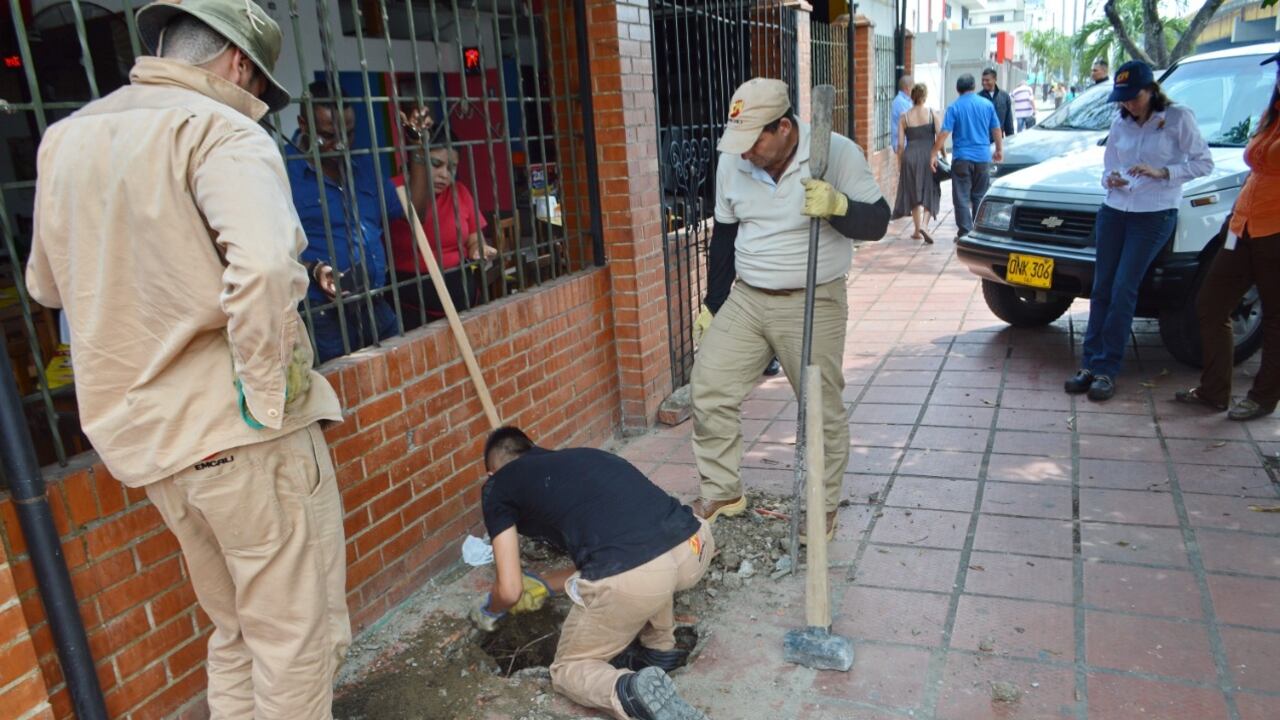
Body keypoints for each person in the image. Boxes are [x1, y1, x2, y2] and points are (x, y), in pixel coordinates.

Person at [24, 1, 349, 716]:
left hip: (154, 445)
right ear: (239, 65)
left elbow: (46, 285)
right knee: (298, 638)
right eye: (260, 87)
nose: (258, 102)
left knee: (236, 630)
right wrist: (267, 399)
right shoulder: (217, 127)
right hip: (240, 432)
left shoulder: (65, 139)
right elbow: (264, 269)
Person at [688, 78, 889, 539]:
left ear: (784, 127)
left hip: (813, 299)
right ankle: (723, 489)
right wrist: (712, 304)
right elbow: (723, 236)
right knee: (710, 387)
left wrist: (838, 206)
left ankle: (822, 505)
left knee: (820, 408)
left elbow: (878, 220)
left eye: (754, 139)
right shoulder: (732, 162)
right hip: (748, 295)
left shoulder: (834, 153)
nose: (744, 152)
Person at [471, 427, 714, 720]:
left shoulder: (498, 487)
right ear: (533, 449)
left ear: (491, 473)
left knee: (567, 669)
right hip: (696, 543)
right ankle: (660, 649)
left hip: (642, 574)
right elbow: (619, 546)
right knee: (644, 556)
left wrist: (490, 610)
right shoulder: (583, 459)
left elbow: (509, 590)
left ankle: (629, 691)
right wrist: (544, 584)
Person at [1064, 60, 1213, 401]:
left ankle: (1107, 369)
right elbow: (1108, 167)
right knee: (1101, 288)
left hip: (1153, 213)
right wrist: (1111, 178)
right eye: (1124, 98)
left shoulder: (1178, 118)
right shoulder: (1120, 121)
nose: (1129, 104)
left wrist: (1164, 172)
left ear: (1152, 90)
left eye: (1135, 97)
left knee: (1123, 289)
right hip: (1115, 209)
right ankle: (1089, 364)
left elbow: (1203, 162)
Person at [288, 80, 433, 363]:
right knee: (345, 393)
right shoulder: (285, 175)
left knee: (401, 371)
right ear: (304, 125)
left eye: (349, 133)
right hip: (323, 315)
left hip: (375, 302)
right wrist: (314, 269)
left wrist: (417, 146)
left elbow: (417, 213)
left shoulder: (364, 169)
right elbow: (272, 251)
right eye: (328, 135)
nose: (341, 144)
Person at [1176, 51, 1280, 420]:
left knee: (1274, 318)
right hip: (1244, 223)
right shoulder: (1272, 115)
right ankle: (1214, 390)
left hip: (1276, 230)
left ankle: (1264, 397)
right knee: (1211, 305)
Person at [388, 131, 496, 331]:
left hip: (460, 296)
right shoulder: (395, 190)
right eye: (436, 164)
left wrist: (478, 249)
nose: (445, 174)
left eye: (452, 168)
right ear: (418, 159)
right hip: (409, 304)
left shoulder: (459, 192)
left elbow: (474, 239)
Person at [931, 73, 1003, 238]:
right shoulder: (986, 105)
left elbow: (944, 133)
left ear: (958, 89)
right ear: (973, 86)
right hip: (983, 158)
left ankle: (965, 232)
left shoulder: (954, 107)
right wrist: (999, 150)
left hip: (962, 159)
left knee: (962, 197)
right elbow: (996, 129)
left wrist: (933, 153)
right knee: (979, 195)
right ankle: (977, 232)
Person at [893, 82, 942, 243]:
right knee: (931, 188)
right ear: (925, 96)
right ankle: (925, 225)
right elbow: (940, 136)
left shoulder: (904, 117)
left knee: (913, 191)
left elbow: (900, 145)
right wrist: (942, 155)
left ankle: (916, 230)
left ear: (912, 97)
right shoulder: (931, 113)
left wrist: (900, 162)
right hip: (928, 156)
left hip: (910, 156)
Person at [979, 68, 1015, 139]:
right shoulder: (978, 98)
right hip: (983, 141)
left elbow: (1008, 121)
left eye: (987, 80)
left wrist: (1010, 138)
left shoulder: (1004, 96)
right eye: (983, 80)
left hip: (999, 140)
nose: (984, 83)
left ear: (995, 79)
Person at [890, 74, 914, 153]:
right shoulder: (901, 102)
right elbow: (910, 120)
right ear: (907, 89)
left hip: (906, 143)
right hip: (902, 144)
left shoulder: (907, 101)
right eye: (913, 88)